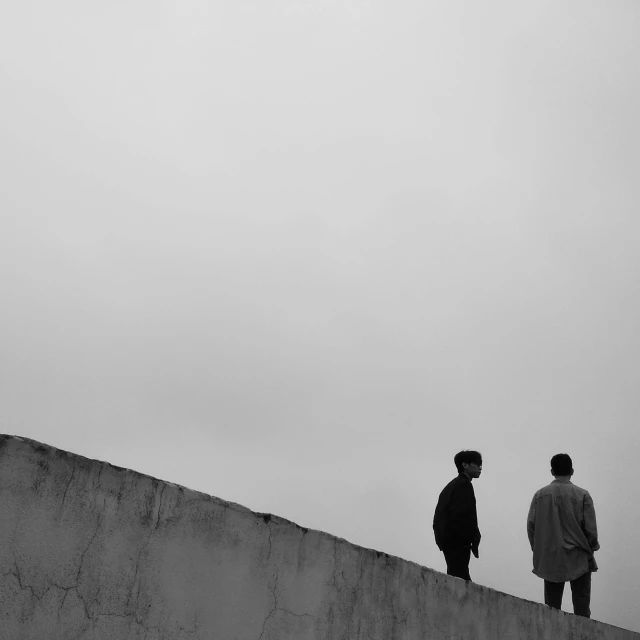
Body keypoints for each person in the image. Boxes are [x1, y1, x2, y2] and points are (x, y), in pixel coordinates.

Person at [527, 453, 599, 618]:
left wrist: (538, 549)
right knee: (581, 607)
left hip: (550, 555)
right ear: (572, 470)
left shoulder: (540, 495)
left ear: (552, 471)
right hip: (579, 556)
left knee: (551, 608)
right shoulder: (582, 495)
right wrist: (592, 547)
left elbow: (532, 526)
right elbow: (591, 530)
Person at [433, 450, 482, 581]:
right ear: (465, 465)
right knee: (460, 580)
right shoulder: (463, 485)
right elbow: (463, 515)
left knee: (457, 577)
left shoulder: (452, 486)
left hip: (449, 541)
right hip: (457, 543)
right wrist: (469, 539)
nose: (480, 467)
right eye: (477, 463)